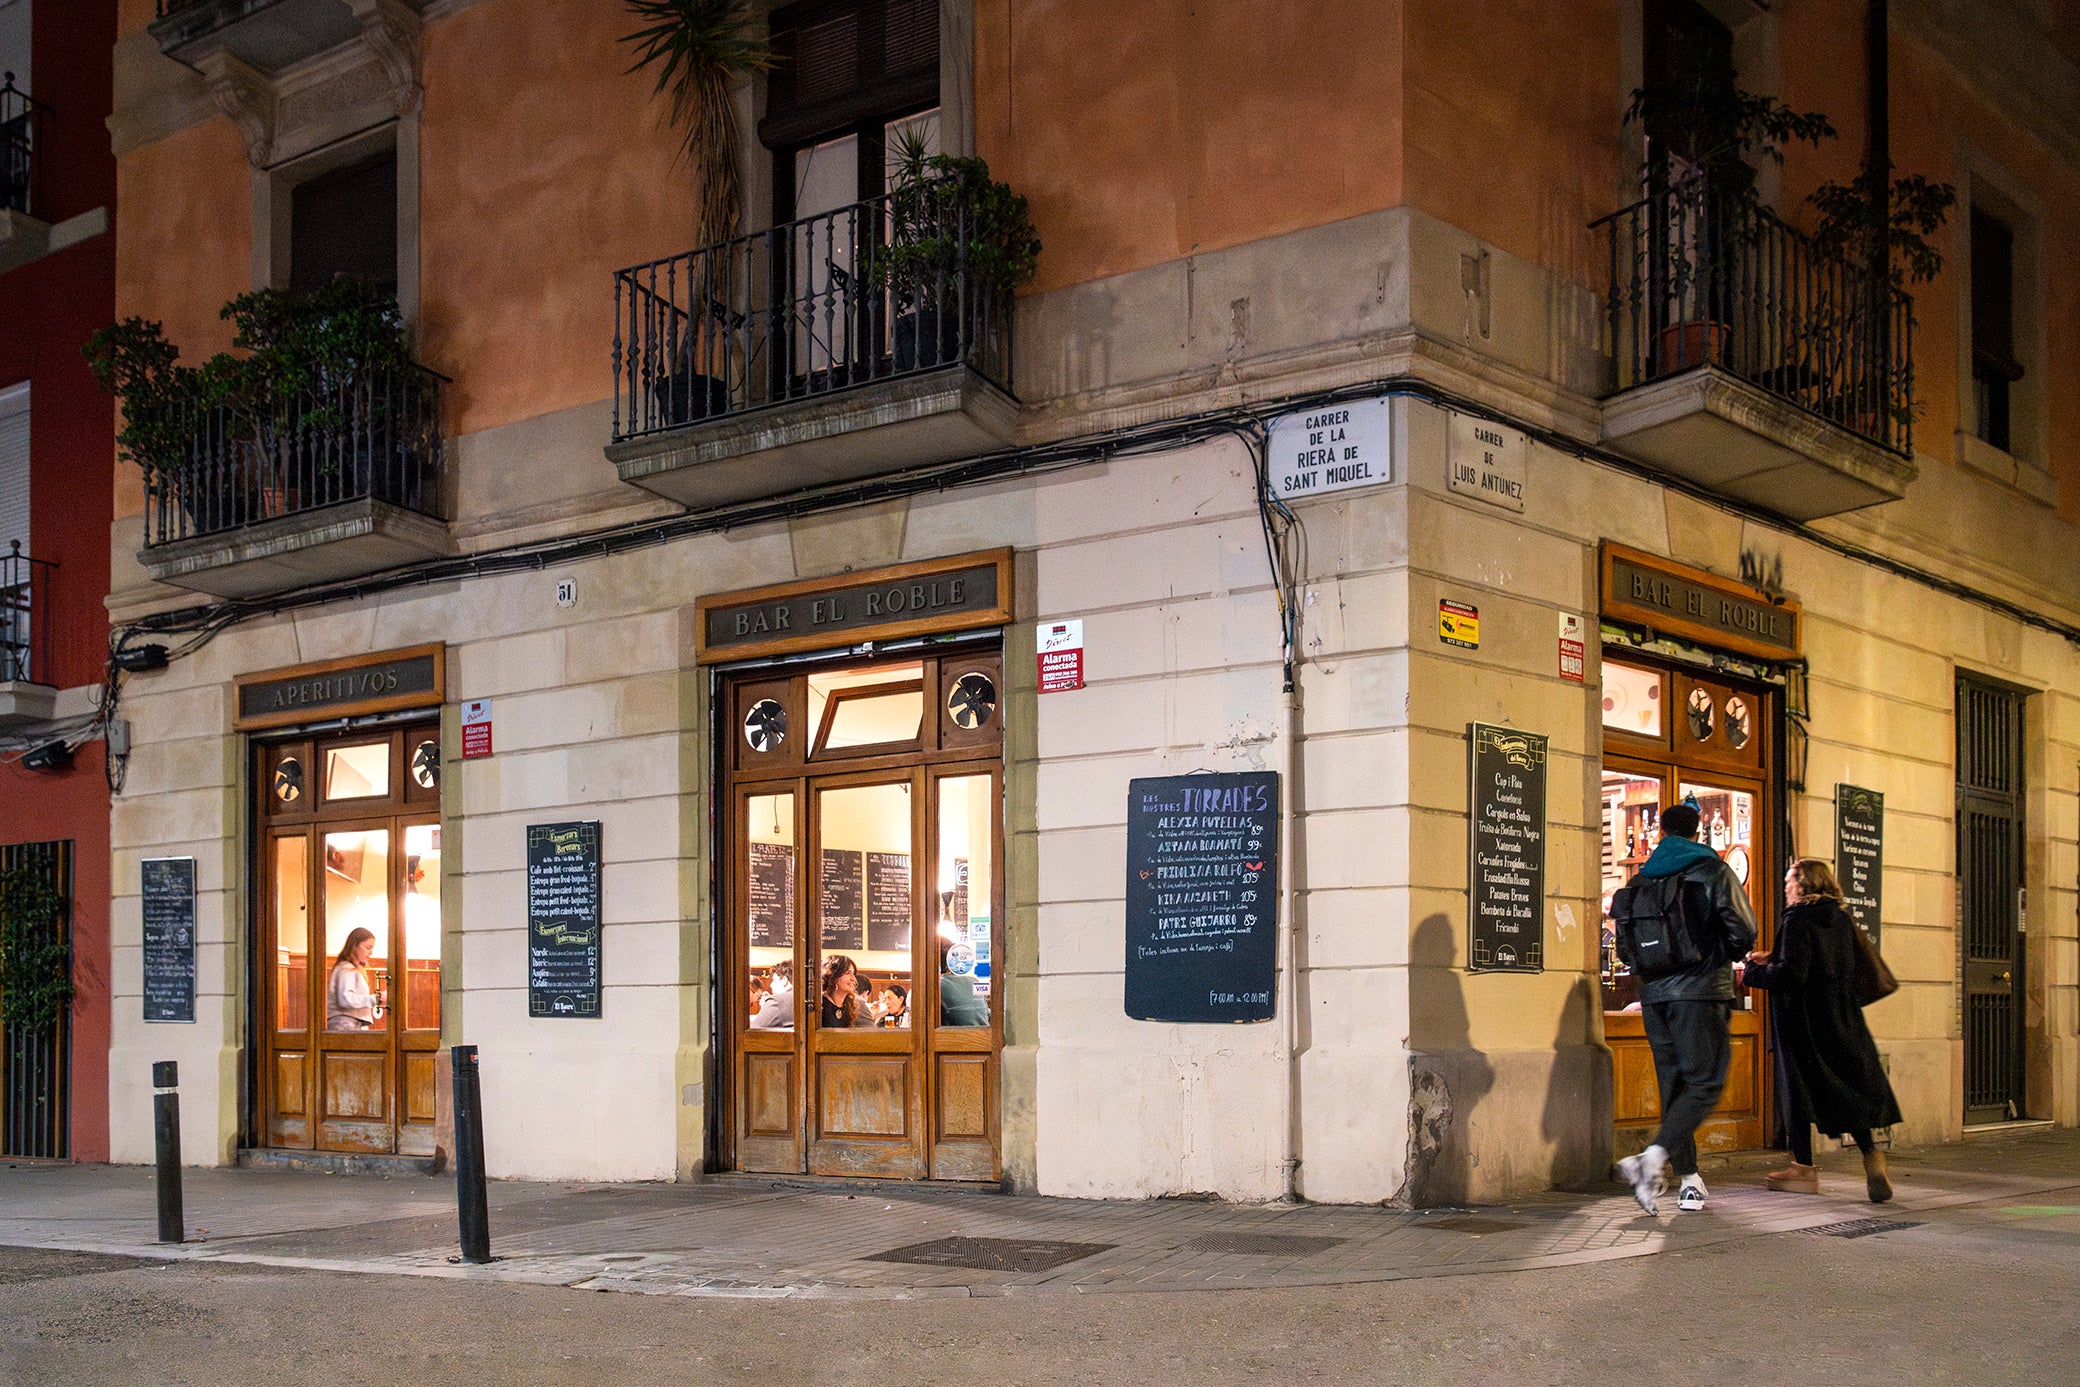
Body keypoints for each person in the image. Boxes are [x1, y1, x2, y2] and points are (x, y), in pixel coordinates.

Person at [1613, 800, 1756, 1215]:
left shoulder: (1641, 879)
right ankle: (1651, 1159)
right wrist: (1720, 956)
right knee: (1706, 1082)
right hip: (1701, 991)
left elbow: (1625, 947)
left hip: (1654, 997)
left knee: (1675, 1085)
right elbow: (1743, 928)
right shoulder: (1711, 869)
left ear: (1660, 833)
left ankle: (1689, 1179)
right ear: (1698, 832)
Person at [1739, 858, 1903, 1202]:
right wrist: (1775, 955)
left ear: (1804, 884)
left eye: (1790, 880)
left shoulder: (1797, 919)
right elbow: (1821, 961)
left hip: (1804, 1023)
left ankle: (1802, 1169)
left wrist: (1751, 975)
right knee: (1844, 1088)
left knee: (1796, 1090)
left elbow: (1793, 975)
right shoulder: (1839, 917)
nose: (1785, 887)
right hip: (1841, 1017)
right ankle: (1871, 1154)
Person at [326, 927, 380, 1032]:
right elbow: (346, 999)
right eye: (368, 947)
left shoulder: (350, 969)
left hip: (350, 1025)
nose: (371, 952)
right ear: (354, 946)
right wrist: (377, 999)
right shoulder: (346, 969)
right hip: (344, 1026)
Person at [938, 939, 989, 1027]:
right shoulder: (973, 981)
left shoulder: (938, 985)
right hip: (984, 1037)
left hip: (956, 1039)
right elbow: (986, 1012)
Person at [820, 954, 865, 1028]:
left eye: (853, 973)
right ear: (834, 977)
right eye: (847, 973)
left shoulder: (849, 1004)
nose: (853, 979)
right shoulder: (821, 1003)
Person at [750, 960, 796, 1029]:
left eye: (774, 981)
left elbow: (753, 1032)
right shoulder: (803, 998)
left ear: (784, 980)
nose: (771, 985)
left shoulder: (776, 1002)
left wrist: (768, 1005)